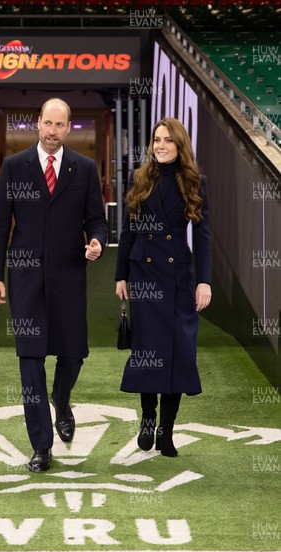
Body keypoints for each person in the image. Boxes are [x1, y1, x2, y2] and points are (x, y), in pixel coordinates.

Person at [0, 98, 108, 472]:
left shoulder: (84, 168)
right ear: (37, 124)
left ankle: (62, 396)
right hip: (24, 281)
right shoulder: (13, 167)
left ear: (68, 128)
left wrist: (97, 241)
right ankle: (41, 446)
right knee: (30, 361)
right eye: (47, 123)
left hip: (69, 278)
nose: (52, 131)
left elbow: (98, 220)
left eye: (60, 125)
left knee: (73, 354)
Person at [115, 117, 211, 457]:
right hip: (143, 276)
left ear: (180, 145)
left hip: (179, 280)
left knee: (178, 354)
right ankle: (147, 420)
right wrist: (120, 275)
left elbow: (202, 236)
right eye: (157, 139)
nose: (161, 145)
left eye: (168, 140)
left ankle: (166, 431)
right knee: (148, 353)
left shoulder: (195, 181)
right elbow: (128, 230)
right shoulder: (139, 178)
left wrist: (204, 281)